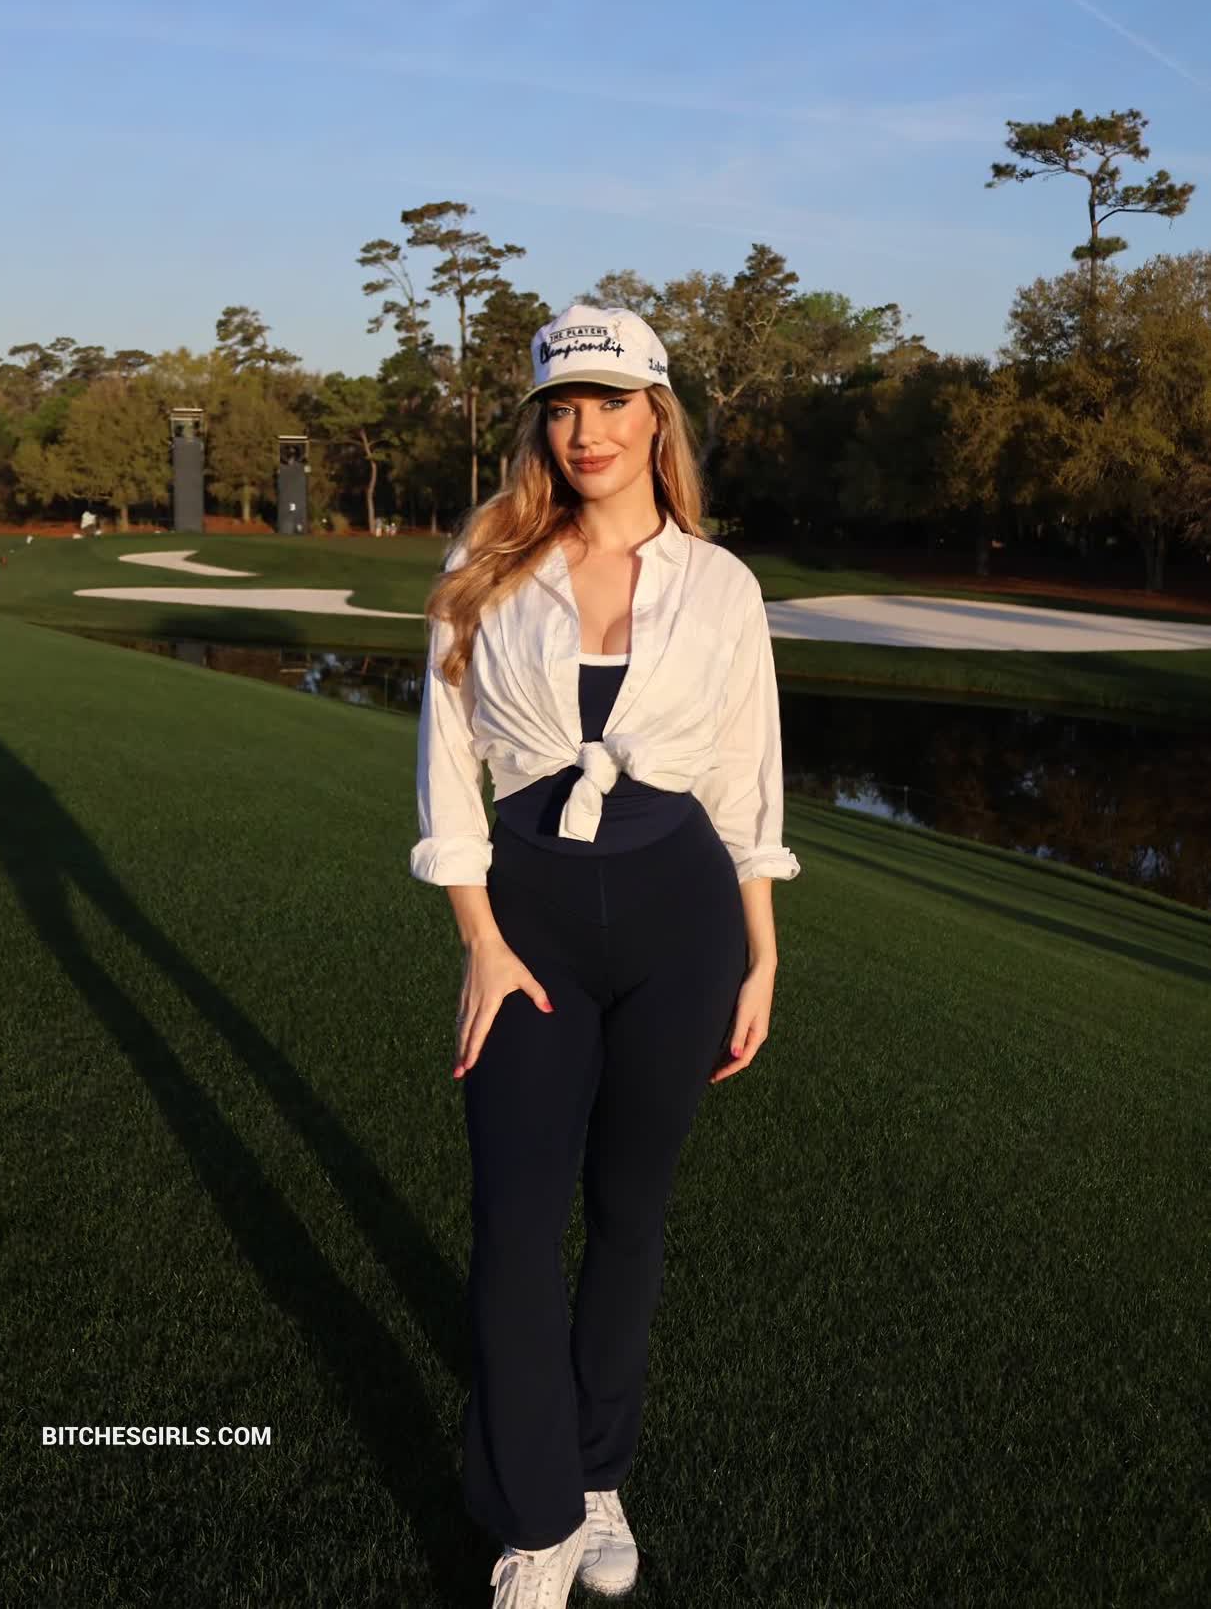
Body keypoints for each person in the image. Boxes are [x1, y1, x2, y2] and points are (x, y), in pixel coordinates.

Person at [410, 302, 803, 1606]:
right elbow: (448, 765)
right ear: (543, 425)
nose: (587, 431)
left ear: (656, 416)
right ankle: (534, 1525)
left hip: (681, 917)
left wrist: (760, 956)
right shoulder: (488, 558)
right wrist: (478, 940)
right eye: (563, 408)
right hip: (528, 920)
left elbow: (746, 785)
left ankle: (595, 1474)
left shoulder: (721, 584)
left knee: (630, 1214)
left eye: (611, 403)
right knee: (516, 1219)